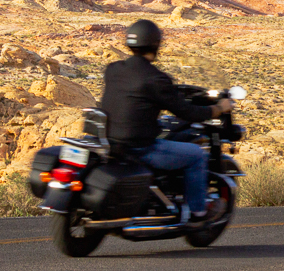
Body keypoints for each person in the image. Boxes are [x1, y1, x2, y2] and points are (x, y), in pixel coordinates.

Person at [99, 19, 233, 223]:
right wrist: (218, 108)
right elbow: (186, 112)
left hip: (111, 142)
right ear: (155, 44)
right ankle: (199, 212)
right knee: (196, 155)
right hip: (140, 148)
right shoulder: (156, 78)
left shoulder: (113, 69)